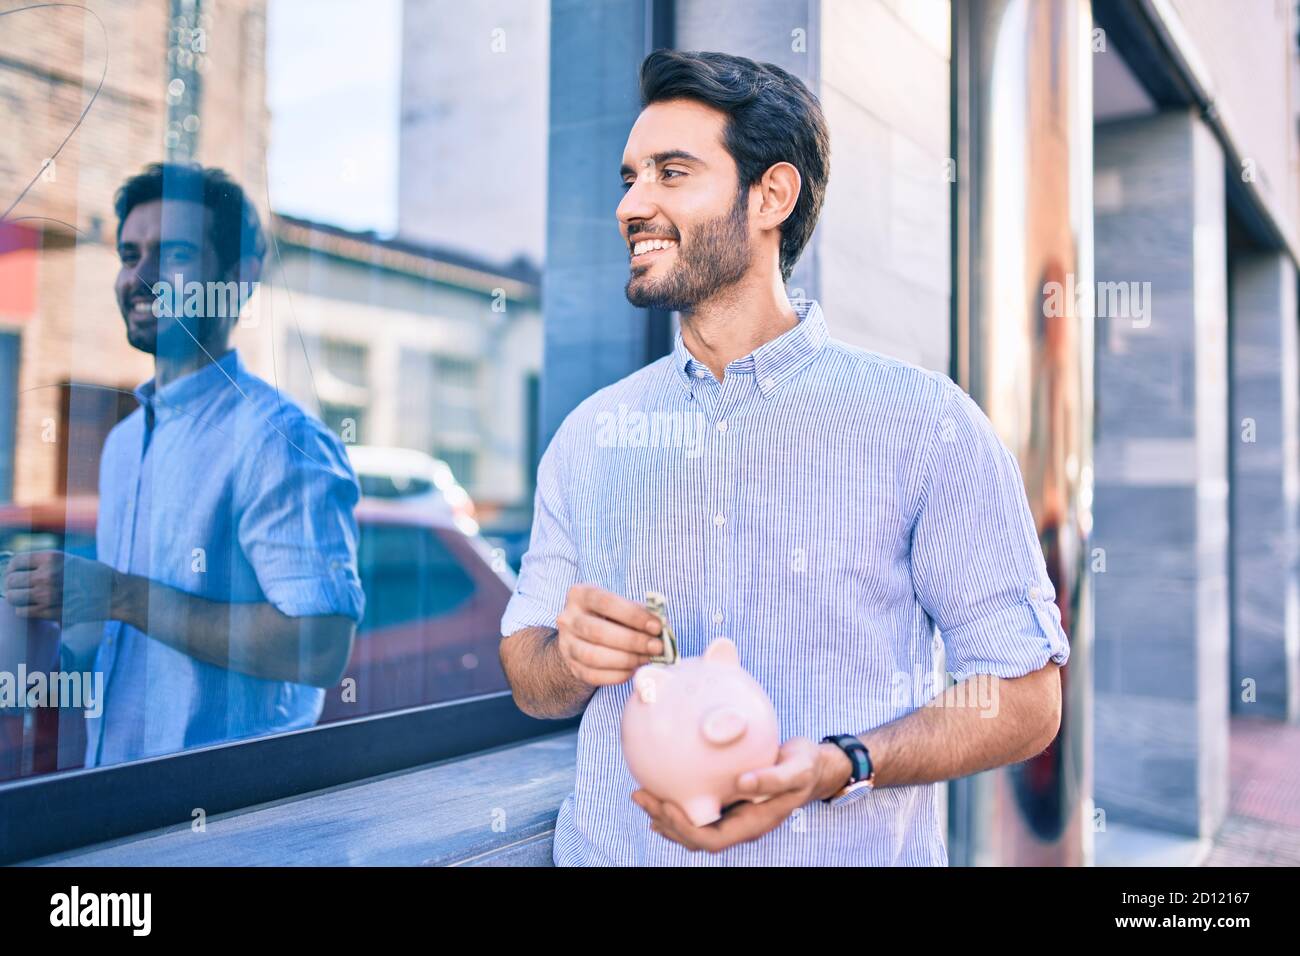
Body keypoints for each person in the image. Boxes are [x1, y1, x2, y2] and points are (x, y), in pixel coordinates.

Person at [498, 50, 1070, 865]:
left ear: (771, 195)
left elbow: (1024, 697)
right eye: (629, 178)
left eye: (670, 172)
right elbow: (529, 673)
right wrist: (570, 656)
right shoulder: (592, 435)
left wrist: (845, 764)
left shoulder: (925, 424)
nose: (633, 204)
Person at [1, 162, 365, 767]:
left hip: (229, 830)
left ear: (239, 279)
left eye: (172, 255)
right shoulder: (123, 443)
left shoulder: (281, 441)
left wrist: (119, 595)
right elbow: (137, 641)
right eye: (128, 254)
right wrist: (60, 629)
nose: (139, 277)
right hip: (119, 808)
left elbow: (322, 647)